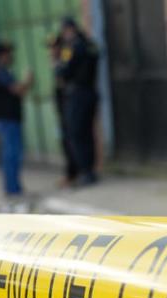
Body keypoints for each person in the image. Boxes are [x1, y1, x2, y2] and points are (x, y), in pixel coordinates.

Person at [0, 41, 33, 198]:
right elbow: (17, 90)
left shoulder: (3, 71)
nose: (11, 56)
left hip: (10, 118)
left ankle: (14, 187)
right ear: (1, 55)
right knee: (11, 153)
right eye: (8, 53)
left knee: (13, 153)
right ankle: (12, 189)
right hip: (7, 119)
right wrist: (28, 80)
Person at [58, 17, 100, 185]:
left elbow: (64, 70)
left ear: (69, 30)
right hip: (91, 92)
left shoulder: (71, 47)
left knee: (76, 133)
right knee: (87, 133)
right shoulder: (90, 44)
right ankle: (90, 170)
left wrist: (58, 66)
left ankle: (85, 171)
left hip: (78, 95)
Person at [49, 35, 77, 187]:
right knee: (66, 142)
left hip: (69, 110)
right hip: (63, 111)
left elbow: (63, 84)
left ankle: (73, 174)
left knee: (71, 142)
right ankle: (71, 174)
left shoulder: (65, 63)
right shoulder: (58, 64)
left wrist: (57, 66)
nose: (51, 52)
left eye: (54, 48)